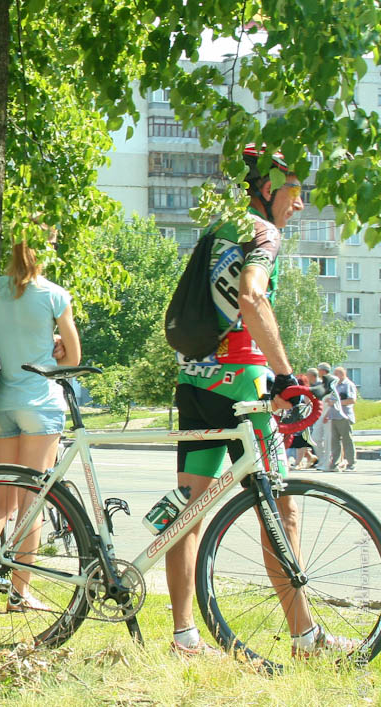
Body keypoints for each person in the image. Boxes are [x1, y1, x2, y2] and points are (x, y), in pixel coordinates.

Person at [167, 144, 353, 656]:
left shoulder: (219, 228)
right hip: (242, 390)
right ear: (268, 189)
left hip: (195, 382)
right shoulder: (262, 232)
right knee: (281, 508)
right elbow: (252, 296)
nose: (300, 203)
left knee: (186, 510)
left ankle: (184, 636)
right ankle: (306, 638)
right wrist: (285, 376)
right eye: (295, 191)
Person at [0, 233, 81, 612]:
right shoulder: (54, 295)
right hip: (42, 405)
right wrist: (55, 346)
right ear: (45, 249)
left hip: (6, 404)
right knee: (34, 502)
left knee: (3, 503)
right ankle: (19, 593)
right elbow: (73, 359)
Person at [324, 366, 357, 472]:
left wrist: (336, 403)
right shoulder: (334, 386)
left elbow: (351, 400)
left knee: (347, 440)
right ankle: (334, 464)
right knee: (334, 442)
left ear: (343, 374)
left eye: (336, 374)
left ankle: (351, 463)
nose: (334, 376)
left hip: (344, 416)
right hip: (334, 416)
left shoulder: (348, 385)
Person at [313, 362, 337, 470]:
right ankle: (322, 460)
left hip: (329, 413)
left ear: (323, 370)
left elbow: (336, 398)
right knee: (315, 438)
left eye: (319, 370)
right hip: (320, 413)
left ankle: (327, 463)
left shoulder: (333, 381)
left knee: (328, 440)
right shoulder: (322, 382)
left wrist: (329, 412)